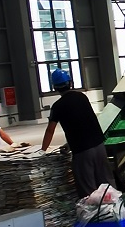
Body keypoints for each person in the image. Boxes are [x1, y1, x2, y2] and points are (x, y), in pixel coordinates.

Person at [42, 68, 116, 198]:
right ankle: (115, 207)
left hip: (82, 151)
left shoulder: (58, 106)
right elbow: (84, 121)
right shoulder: (82, 97)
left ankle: (94, 210)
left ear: (54, 87)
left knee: (88, 189)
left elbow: (50, 130)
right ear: (70, 83)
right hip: (99, 146)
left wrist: (42, 151)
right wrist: (68, 144)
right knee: (106, 182)